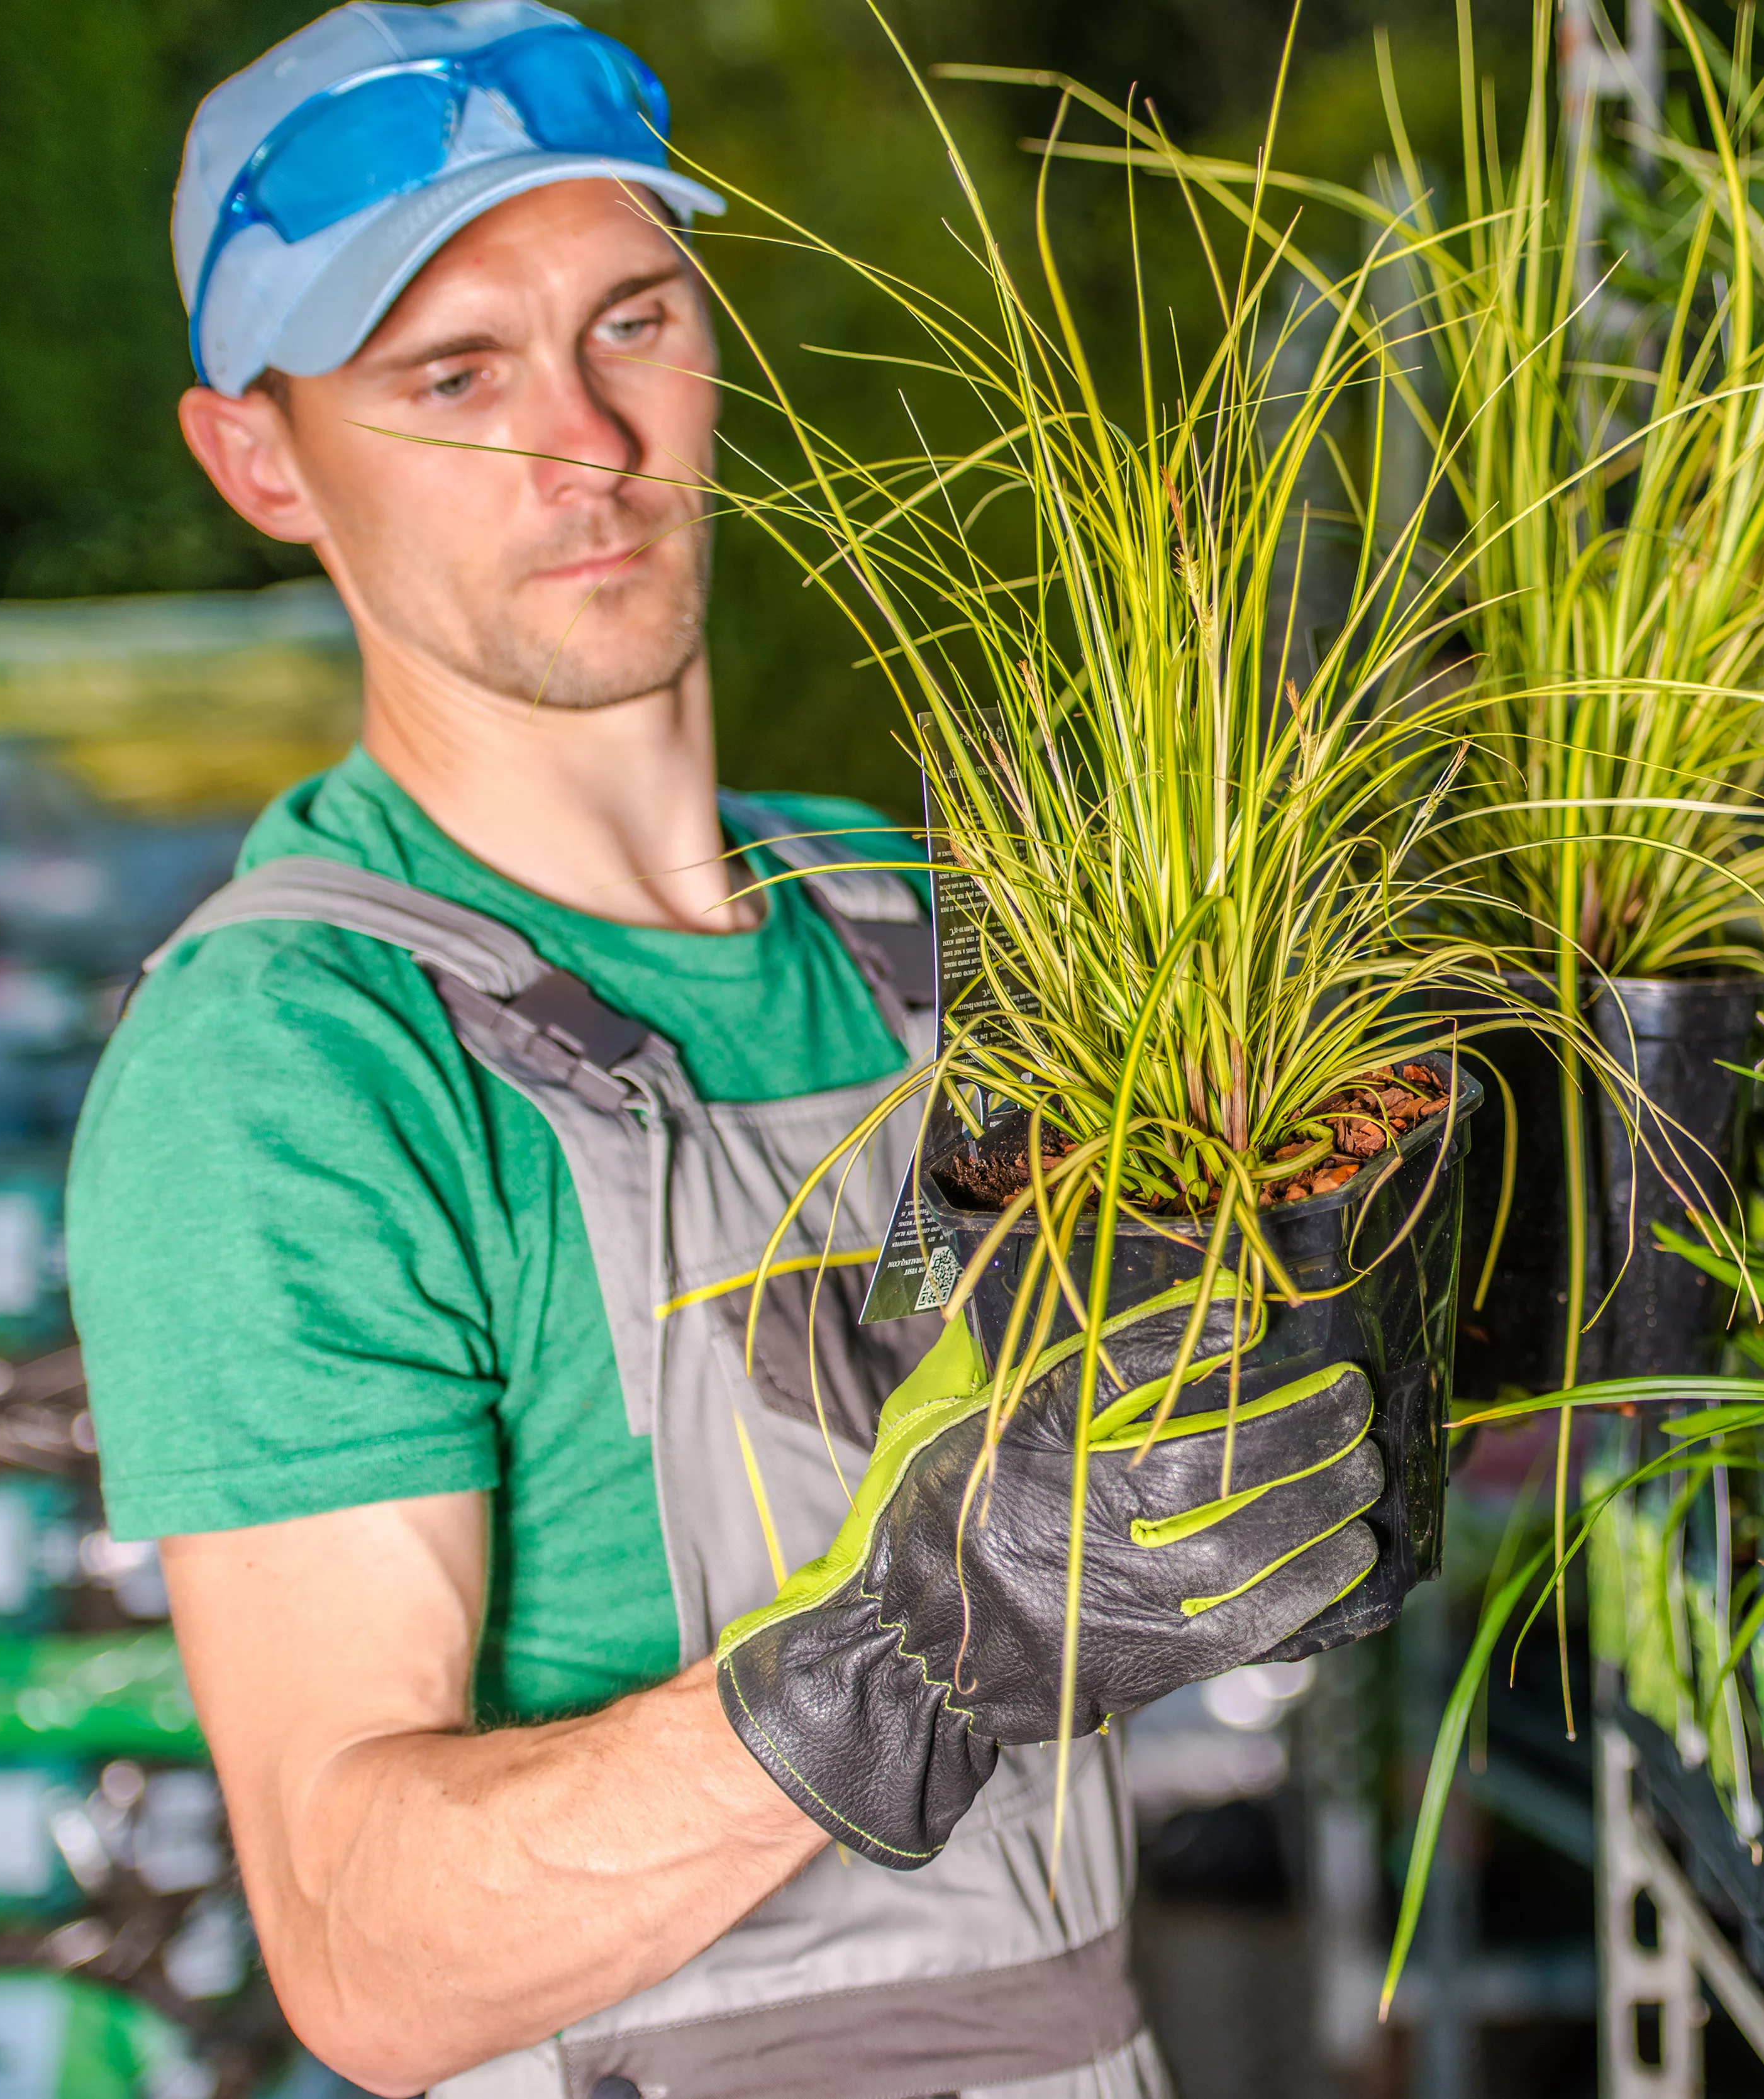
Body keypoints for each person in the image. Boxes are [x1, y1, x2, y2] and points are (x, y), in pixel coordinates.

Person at [67, 6, 1382, 2093]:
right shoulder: (294, 1067)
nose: (583, 438)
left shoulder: (931, 920)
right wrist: (932, 1643)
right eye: (453, 376)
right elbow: (360, 1950)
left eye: (632, 321)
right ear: (258, 457)